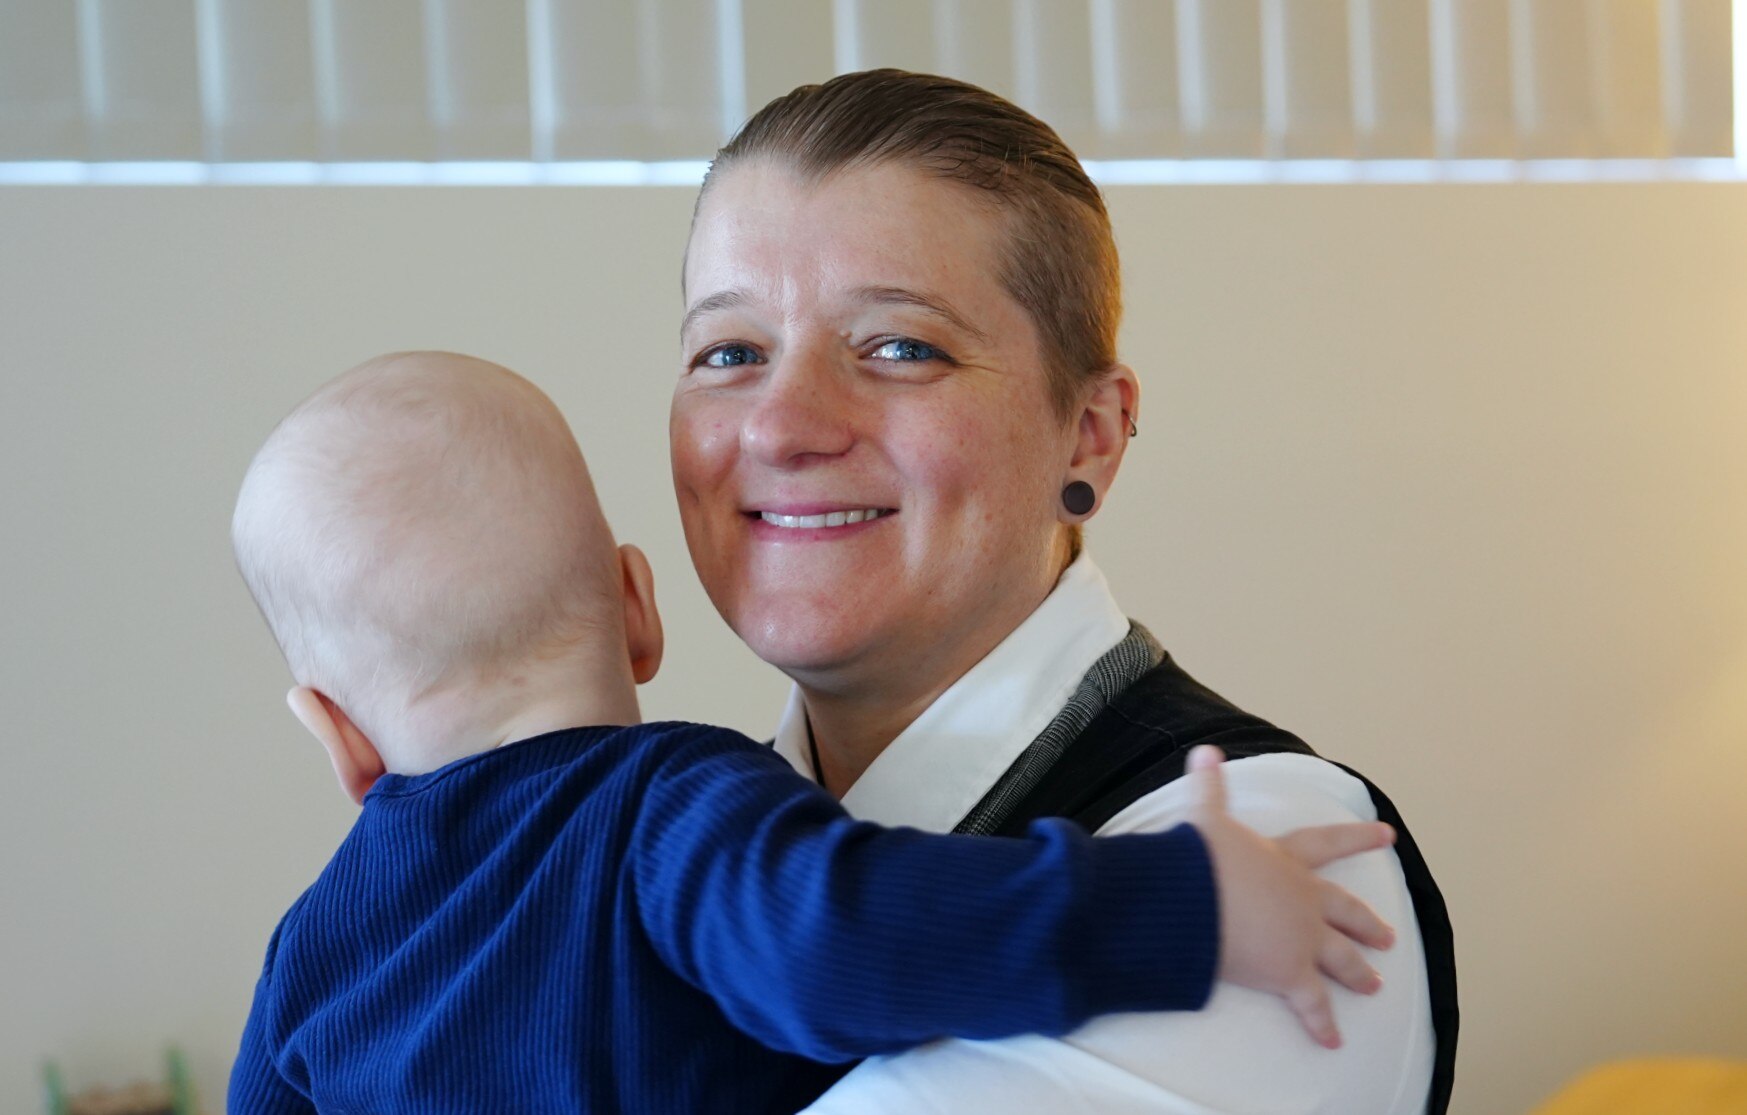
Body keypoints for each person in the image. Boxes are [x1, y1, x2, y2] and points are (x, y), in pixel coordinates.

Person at [225, 352, 1399, 1114]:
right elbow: (855, 939)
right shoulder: (674, 810)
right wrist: (1189, 907)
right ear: (639, 608)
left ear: (338, 735)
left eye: (899, 347)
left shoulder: (312, 946)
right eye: (729, 352)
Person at [671, 69, 1458, 1114]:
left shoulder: (1262, 867)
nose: (780, 425)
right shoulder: (664, 853)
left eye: (900, 347)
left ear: (1089, 432)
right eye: (730, 351)